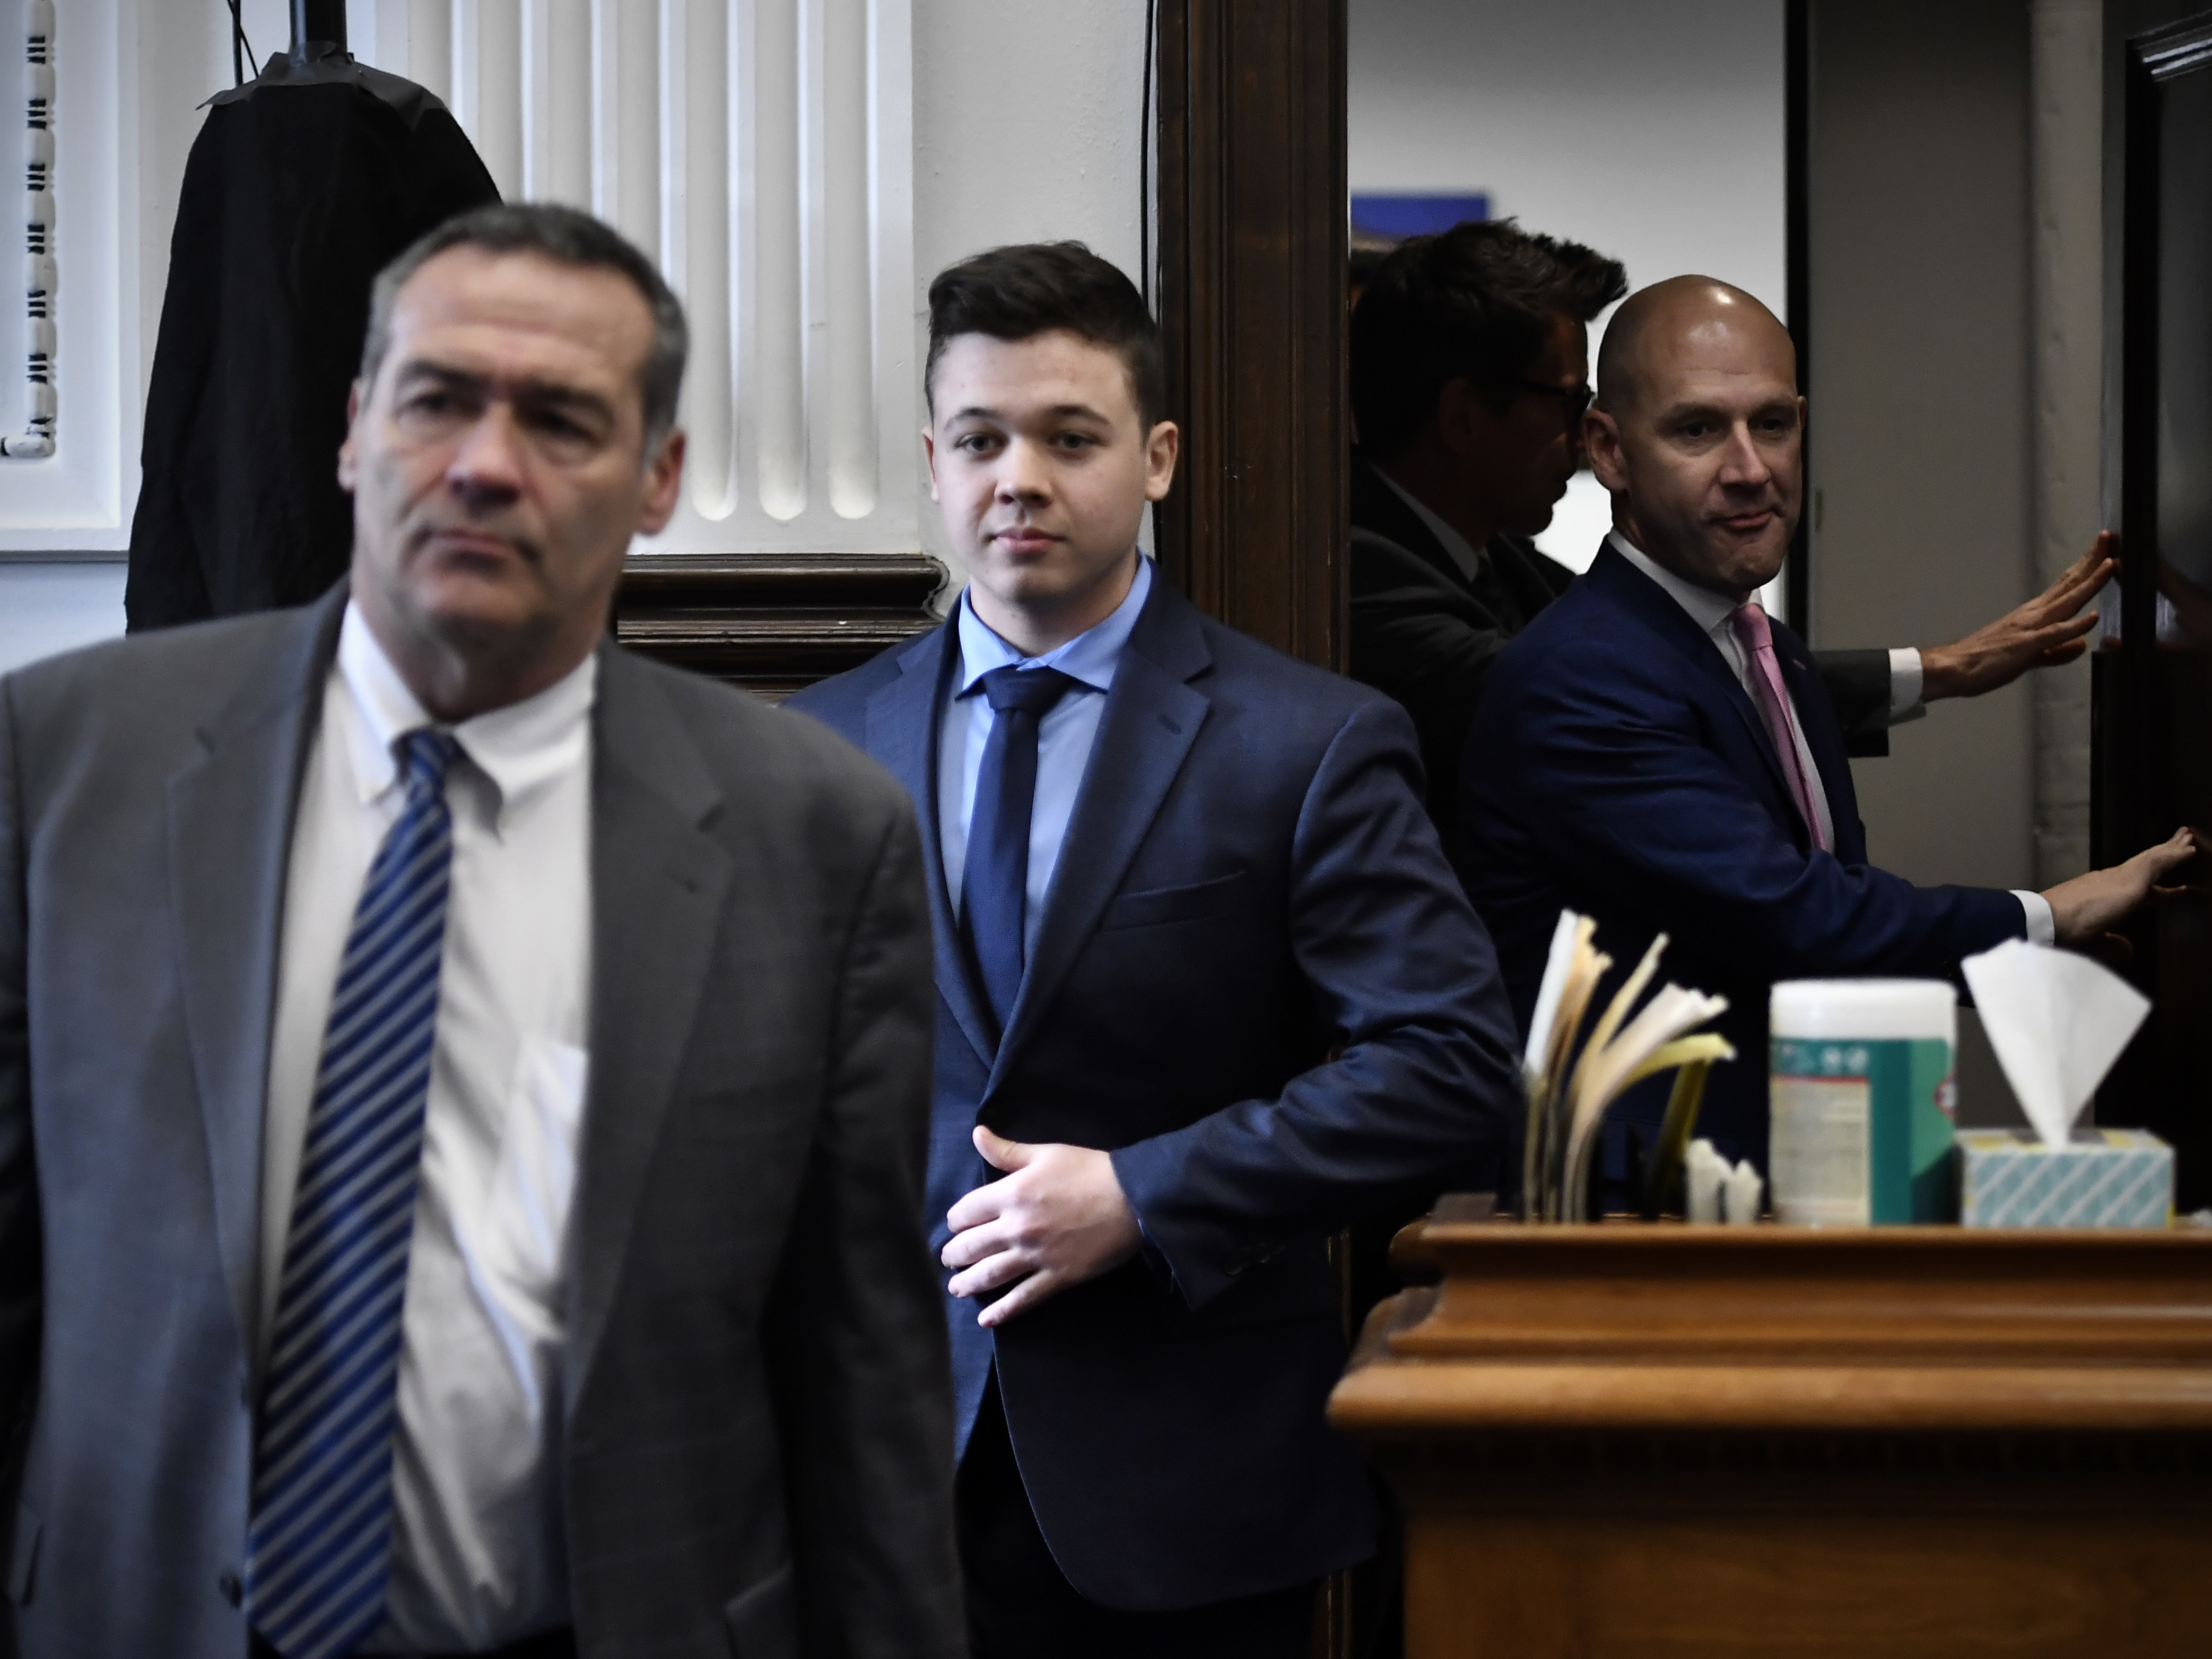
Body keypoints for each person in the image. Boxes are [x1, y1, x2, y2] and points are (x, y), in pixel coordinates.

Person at [0, 203, 963, 1659]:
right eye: (437, 399)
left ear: (659, 479)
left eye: (563, 422)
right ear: (351, 429)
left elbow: (862, 1377)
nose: (483, 466)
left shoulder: (816, 837)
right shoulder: (69, 763)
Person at [787, 241, 1522, 1658]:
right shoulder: (815, 748)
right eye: (982, 439)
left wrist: (1144, 1190)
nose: (1021, 479)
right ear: (932, 461)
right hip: (872, 1484)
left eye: (1072, 438)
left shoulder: (1306, 742)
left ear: (1159, 456)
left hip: (1185, 1491)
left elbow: (1450, 1069)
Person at [1456, 275, 2197, 1177]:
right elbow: (1797, 919)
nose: (1749, 468)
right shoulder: (1579, 678)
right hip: (1632, 1236)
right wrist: (2047, 914)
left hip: (1784, 1194)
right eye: (1696, 430)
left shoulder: (1763, 646)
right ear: (1607, 451)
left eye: (1771, 424)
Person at [1350, 221, 2118, 846]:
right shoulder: (1355, 573)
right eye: (1566, 404)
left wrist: (1940, 669)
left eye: (1774, 424)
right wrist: (1939, 670)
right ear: (1460, 417)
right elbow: (1620, 689)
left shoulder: (1499, 557)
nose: (1581, 441)